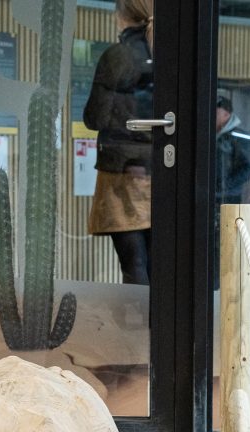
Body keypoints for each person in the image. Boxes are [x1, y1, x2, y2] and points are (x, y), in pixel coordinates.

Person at [83, 0, 154, 285]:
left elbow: (95, 118)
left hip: (122, 170)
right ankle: (159, 324)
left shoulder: (119, 56)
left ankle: (136, 327)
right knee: (158, 258)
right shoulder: (171, 51)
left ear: (121, 16)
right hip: (163, 165)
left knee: (133, 262)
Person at [213, 95, 250, 288]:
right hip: (215, 197)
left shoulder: (239, 136)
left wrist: (226, 185)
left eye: (216, 111)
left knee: (227, 244)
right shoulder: (215, 135)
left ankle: (228, 286)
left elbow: (249, 168)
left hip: (229, 198)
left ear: (226, 113)